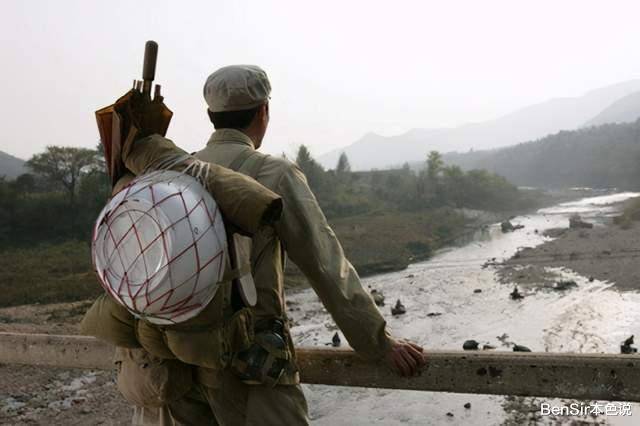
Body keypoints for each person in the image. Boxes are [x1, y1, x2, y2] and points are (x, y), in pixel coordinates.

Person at [188, 64, 426, 424]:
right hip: (255, 365)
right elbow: (325, 263)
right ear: (264, 111)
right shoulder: (274, 174)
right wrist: (378, 342)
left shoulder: (180, 171)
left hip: (184, 362)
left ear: (211, 116)